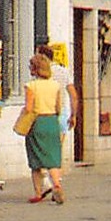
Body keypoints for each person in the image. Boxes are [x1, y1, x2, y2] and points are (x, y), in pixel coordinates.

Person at [36, 43, 80, 196]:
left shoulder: (41, 73)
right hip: (63, 115)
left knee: (41, 150)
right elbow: (73, 95)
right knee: (56, 151)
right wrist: (73, 115)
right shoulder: (63, 71)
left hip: (46, 114)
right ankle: (56, 181)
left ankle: (47, 181)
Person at [22, 53, 66, 202]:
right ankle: (57, 186)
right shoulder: (55, 85)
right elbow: (59, 107)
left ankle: (38, 193)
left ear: (35, 69)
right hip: (52, 121)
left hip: (37, 122)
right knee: (52, 158)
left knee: (35, 160)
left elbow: (28, 108)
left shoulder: (31, 86)